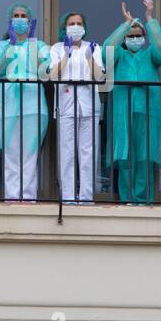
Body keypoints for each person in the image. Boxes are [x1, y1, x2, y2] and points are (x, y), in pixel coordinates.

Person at [104, 0, 161, 203]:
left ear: (144, 37)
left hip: (147, 111)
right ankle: (127, 198)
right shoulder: (120, 55)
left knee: (145, 156)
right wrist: (126, 24)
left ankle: (142, 199)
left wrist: (149, 20)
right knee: (124, 156)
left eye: (138, 35)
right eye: (130, 36)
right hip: (123, 111)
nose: (134, 38)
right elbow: (106, 51)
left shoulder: (150, 55)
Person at [0, 4, 50, 201]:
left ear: (30, 23)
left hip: (33, 105)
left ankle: (28, 197)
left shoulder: (40, 46)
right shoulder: (0, 46)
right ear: (10, 21)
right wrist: (11, 46)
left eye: (24, 16)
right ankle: (13, 197)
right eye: (16, 16)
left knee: (30, 154)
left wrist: (31, 42)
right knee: (11, 153)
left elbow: (46, 71)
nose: (20, 19)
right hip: (8, 105)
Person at [49, 11, 104, 203]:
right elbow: (53, 76)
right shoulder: (56, 48)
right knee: (66, 152)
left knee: (88, 152)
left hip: (88, 105)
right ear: (65, 28)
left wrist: (89, 58)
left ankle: (87, 197)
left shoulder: (94, 47)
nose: (75, 26)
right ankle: (68, 197)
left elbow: (100, 77)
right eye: (71, 23)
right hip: (66, 105)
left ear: (84, 27)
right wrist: (66, 54)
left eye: (79, 23)